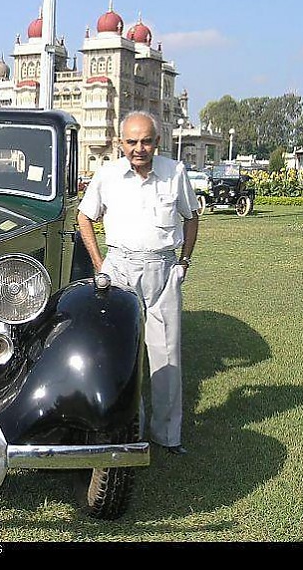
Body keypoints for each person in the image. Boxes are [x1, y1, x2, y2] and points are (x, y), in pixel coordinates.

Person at [77, 110, 199, 456]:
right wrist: (100, 264)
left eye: (146, 141)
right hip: (119, 269)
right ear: (120, 143)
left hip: (162, 269)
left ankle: (167, 435)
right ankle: (129, 430)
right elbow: (85, 217)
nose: (139, 148)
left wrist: (183, 262)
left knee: (166, 354)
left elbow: (191, 219)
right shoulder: (109, 175)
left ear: (157, 143)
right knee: (119, 353)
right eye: (132, 142)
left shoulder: (174, 173)